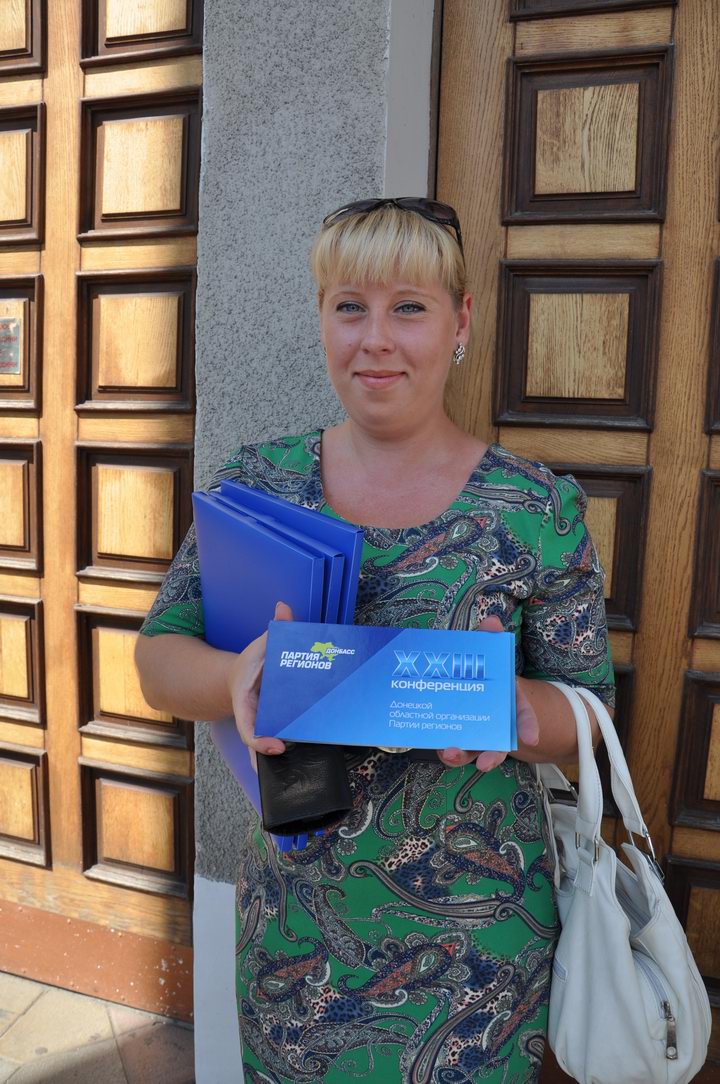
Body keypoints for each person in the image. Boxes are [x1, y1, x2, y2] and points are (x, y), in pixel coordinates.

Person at [135, 197, 614, 1083]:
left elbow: (592, 720)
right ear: (321, 317)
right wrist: (236, 677)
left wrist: (516, 711)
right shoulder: (260, 485)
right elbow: (159, 659)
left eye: (410, 308)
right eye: (350, 306)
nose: (376, 339)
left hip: (480, 956)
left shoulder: (537, 508)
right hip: (296, 941)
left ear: (460, 322)